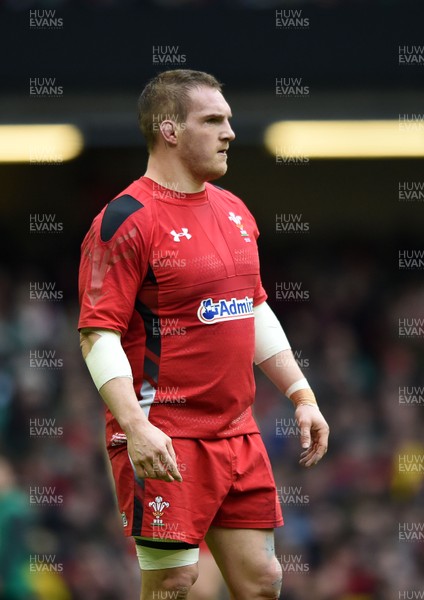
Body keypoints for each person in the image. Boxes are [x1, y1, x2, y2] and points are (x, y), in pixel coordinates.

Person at [78, 69, 329, 600]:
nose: (230, 132)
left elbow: (252, 308)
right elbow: (96, 335)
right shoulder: (124, 220)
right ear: (169, 130)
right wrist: (134, 427)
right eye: (213, 120)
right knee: (174, 581)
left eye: (229, 119)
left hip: (237, 433)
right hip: (164, 433)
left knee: (262, 582)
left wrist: (301, 394)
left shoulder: (235, 210)